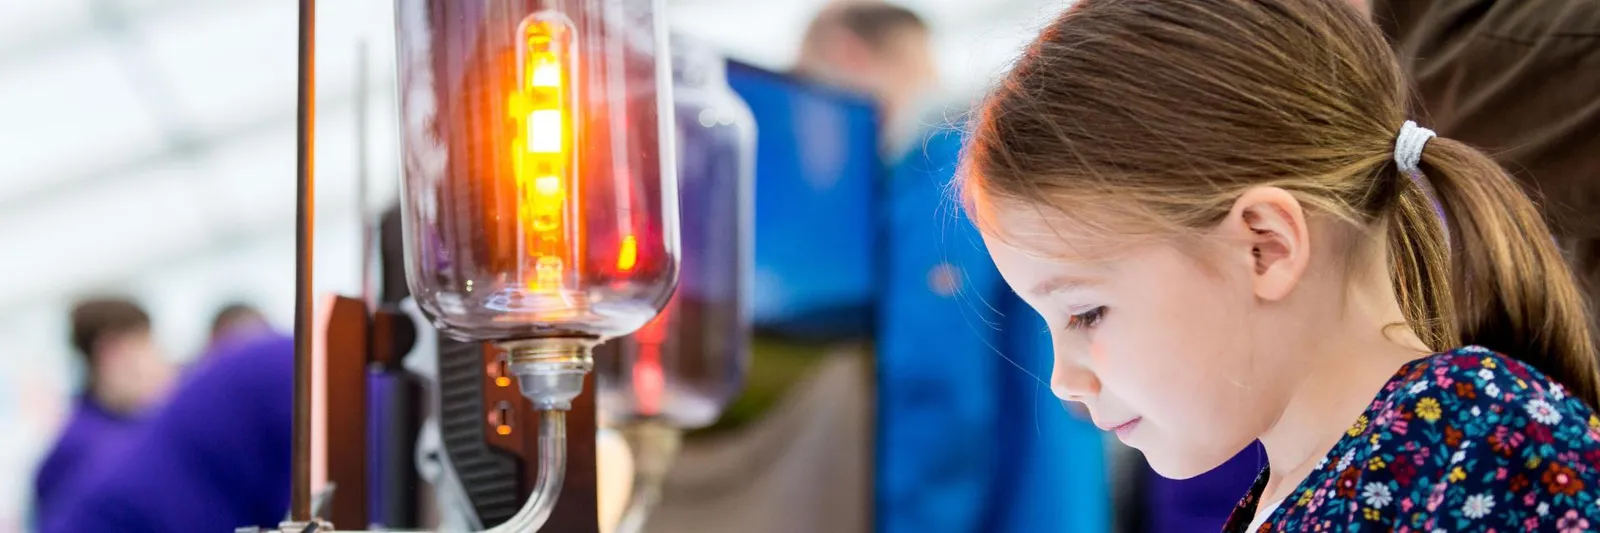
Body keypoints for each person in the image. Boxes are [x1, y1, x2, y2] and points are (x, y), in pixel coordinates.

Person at [959, 0, 1600, 531]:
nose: (1063, 382)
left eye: (1086, 312)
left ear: (1265, 247)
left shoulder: (1478, 447)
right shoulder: (1294, 485)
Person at [33, 298, 174, 523]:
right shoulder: (82, 451)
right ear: (112, 353)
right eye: (146, 347)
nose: (160, 364)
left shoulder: (130, 428)